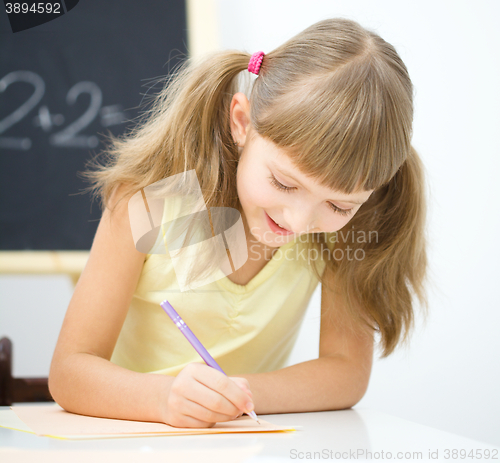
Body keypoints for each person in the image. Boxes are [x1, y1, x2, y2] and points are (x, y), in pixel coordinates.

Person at [48, 17, 428, 428]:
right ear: (242, 122)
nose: (298, 221)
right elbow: (70, 371)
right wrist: (164, 399)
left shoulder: (349, 232)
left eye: (338, 206)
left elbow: (346, 372)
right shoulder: (149, 204)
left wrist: (232, 396)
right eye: (284, 183)